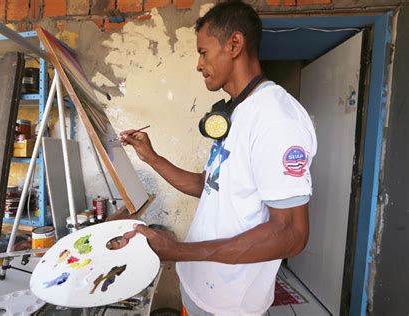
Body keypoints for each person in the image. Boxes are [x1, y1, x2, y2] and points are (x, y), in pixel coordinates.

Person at [120, 1, 317, 315]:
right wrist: (151, 157)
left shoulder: (277, 119)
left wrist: (178, 250)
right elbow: (210, 186)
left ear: (234, 44)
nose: (199, 64)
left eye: (203, 52)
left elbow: (292, 232)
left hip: (230, 304)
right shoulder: (236, 110)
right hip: (200, 288)